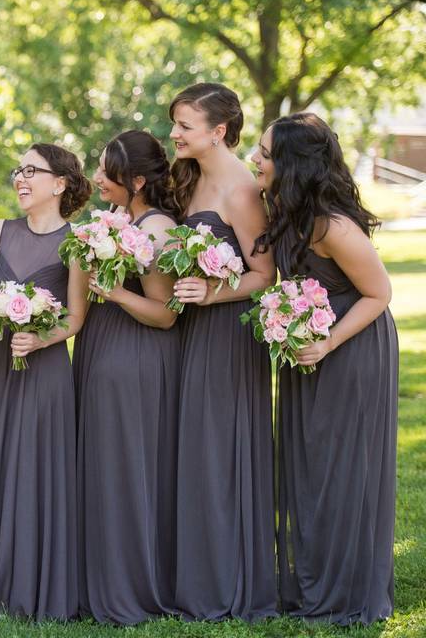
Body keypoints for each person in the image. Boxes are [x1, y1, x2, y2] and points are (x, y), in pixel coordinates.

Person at [252, 112, 398, 625]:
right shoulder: (288, 213)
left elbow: (379, 294)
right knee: (309, 462)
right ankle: (311, 578)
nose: (256, 160)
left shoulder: (333, 226)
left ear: (291, 164)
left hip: (350, 348)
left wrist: (328, 341)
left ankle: (348, 589)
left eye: (266, 154)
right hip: (307, 347)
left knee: (341, 464)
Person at [0, 143, 89, 620]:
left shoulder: (78, 243)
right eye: (19, 169)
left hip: (45, 366)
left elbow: (75, 318)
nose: (20, 178)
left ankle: (30, 581)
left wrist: (38, 340)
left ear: (60, 184)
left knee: (33, 466)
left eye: (32, 170)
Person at [167, 82, 277, 621]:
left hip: (229, 334)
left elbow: (265, 275)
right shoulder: (190, 180)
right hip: (192, 331)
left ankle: (227, 581)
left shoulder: (240, 191)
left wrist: (212, 291)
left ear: (219, 131)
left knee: (218, 452)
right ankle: (196, 573)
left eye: (184, 125)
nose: (175, 133)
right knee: (194, 450)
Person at [73, 130, 180, 624]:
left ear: (137, 179)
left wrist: (112, 293)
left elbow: (165, 313)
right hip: (102, 346)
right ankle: (95, 577)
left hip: (135, 355)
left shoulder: (156, 229)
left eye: (106, 169)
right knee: (101, 463)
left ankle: (129, 586)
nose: (96, 177)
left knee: (125, 467)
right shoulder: (119, 219)